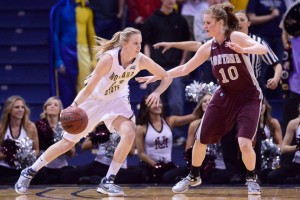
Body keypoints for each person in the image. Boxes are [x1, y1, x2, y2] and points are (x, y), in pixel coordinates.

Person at [15, 27, 172, 197]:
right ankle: (29, 172)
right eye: (135, 43)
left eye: (140, 43)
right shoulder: (108, 59)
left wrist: (156, 92)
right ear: (125, 44)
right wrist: (73, 106)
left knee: (129, 133)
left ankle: (108, 180)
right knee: (67, 143)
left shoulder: (141, 60)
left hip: (117, 100)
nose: (139, 47)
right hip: (94, 100)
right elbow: (89, 88)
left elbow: (166, 76)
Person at [136, 2, 268, 195]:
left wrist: (245, 50)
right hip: (225, 95)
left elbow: (261, 49)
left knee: (244, 143)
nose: (204, 26)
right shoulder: (209, 47)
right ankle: (194, 175)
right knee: (200, 139)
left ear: (220, 22)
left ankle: (251, 177)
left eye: (208, 22)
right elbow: (184, 69)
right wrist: (157, 75)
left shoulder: (235, 36)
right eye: (204, 22)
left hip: (249, 96)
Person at [154, 10, 282, 90]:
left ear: (249, 23)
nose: (239, 23)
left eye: (242, 20)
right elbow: (195, 46)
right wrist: (171, 44)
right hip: (226, 90)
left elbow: (270, 57)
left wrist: (276, 78)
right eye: (236, 20)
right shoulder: (216, 41)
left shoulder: (251, 40)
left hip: (252, 87)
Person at [135, 94, 202, 183]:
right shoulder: (141, 128)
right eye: (154, 103)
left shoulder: (170, 121)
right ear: (147, 107)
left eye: (159, 102)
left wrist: (202, 102)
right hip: (150, 166)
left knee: (179, 173)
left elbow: (194, 116)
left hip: (168, 166)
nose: (158, 105)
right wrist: (155, 165)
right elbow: (141, 153)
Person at [49, 0, 97, 108]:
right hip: (65, 50)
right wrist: (58, 59)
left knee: (85, 86)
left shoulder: (87, 10)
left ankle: (84, 117)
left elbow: (91, 36)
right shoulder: (60, 9)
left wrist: (94, 59)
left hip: (83, 51)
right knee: (65, 87)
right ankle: (65, 116)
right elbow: (55, 34)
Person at [32, 97, 76, 184]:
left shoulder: (66, 127)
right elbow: (35, 150)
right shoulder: (36, 126)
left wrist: (61, 145)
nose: (52, 106)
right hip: (43, 166)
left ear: (60, 110)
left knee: (71, 173)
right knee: (40, 175)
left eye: (56, 105)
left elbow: (72, 153)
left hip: (61, 167)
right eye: (49, 104)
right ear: (45, 109)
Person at [0, 96, 39, 184]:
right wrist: (10, 154)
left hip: (23, 169)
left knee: (41, 174)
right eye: (17, 107)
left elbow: (36, 150)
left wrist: (26, 155)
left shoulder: (31, 127)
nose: (20, 110)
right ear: (9, 110)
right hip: (4, 169)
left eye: (22, 107)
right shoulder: (1, 128)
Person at [267, 103, 300, 184]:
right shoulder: (294, 123)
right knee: (272, 176)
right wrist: (298, 147)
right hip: (297, 163)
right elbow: (283, 148)